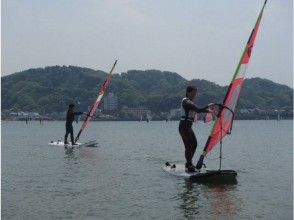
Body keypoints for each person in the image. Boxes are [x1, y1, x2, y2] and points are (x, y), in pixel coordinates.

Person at [179, 86, 212, 172]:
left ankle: (188, 163)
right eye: (193, 93)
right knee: (188, 146)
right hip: (183, 127)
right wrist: (207, 108)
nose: (195, 95)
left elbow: (197, 110)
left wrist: (207, 109)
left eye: (195, 93)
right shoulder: (185, 101)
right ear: (188, 92)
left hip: (188, 127)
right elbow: (197, 109)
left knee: (194, 144)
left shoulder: (191, 102)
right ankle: (189, 165)